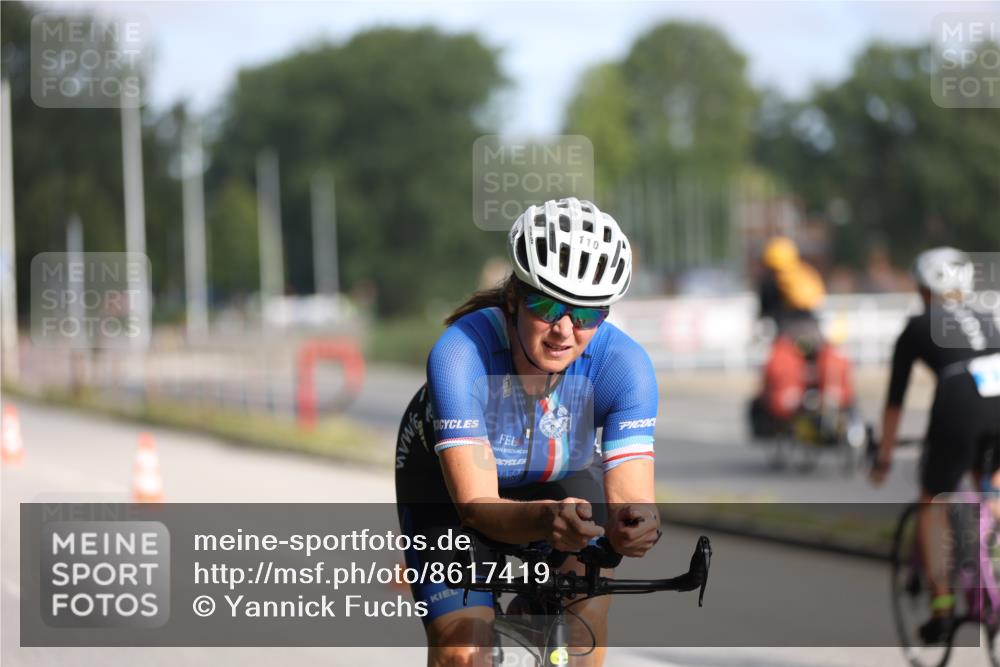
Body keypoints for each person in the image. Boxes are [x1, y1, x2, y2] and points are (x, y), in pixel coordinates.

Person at [395, 197, 661, 667]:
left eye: (585, 315)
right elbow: (476, 508)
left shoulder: (626, 367)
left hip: (559, 477)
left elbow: (631, 499)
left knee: (585, 630)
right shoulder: (461, 354)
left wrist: (632, 528)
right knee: (463, 650)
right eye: (546, 305)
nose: (563, 329)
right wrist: (544, 521)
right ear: (514, 297)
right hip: (448, 491)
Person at [871, 247, 1000, 644]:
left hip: (961, 399)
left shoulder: (917, 324)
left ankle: (942, 610)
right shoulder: (990, 317)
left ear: (925, 289)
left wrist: (884, 457)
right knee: (992, 489)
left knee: (933, 503)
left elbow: (895, 402)